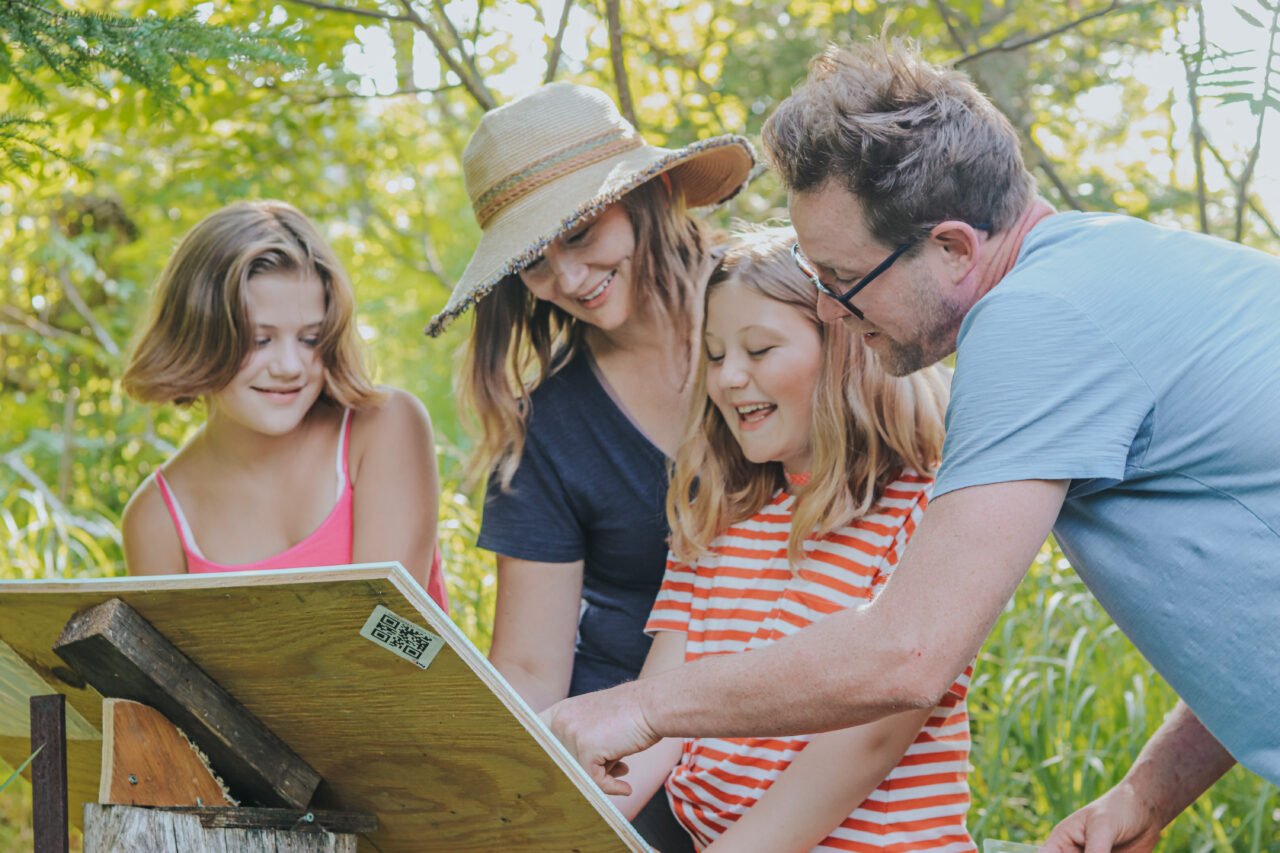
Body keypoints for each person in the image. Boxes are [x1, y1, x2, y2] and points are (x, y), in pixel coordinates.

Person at [543, 40, 1280, 852]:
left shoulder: (1037, 320)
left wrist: (640, 707)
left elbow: (910, 651)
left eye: (840, 276)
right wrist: (1147, 794)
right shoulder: (1110, 272)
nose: (829, 308)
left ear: (954, 247)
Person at [423, 82, 753, 847]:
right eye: (534, 261)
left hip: (795, 714)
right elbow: (533, 668)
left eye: (578, 231)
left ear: (652, 191)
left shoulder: (784, 312)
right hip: (628, 749)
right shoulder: (550, 427)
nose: (568, 279)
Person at [608, 228, 969, 852]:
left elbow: (868, 743)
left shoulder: (930, 509)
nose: (729, 378)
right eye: (716, 356)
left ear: (844, 348)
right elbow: (656, 721)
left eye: (760, 349)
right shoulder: (717, 519)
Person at [121, 200, 450, 611]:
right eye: (261, 340)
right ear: (198, 337)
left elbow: (397, 636)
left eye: (310, 339)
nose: (290, 367)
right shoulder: (156, 519)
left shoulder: (384, 428)